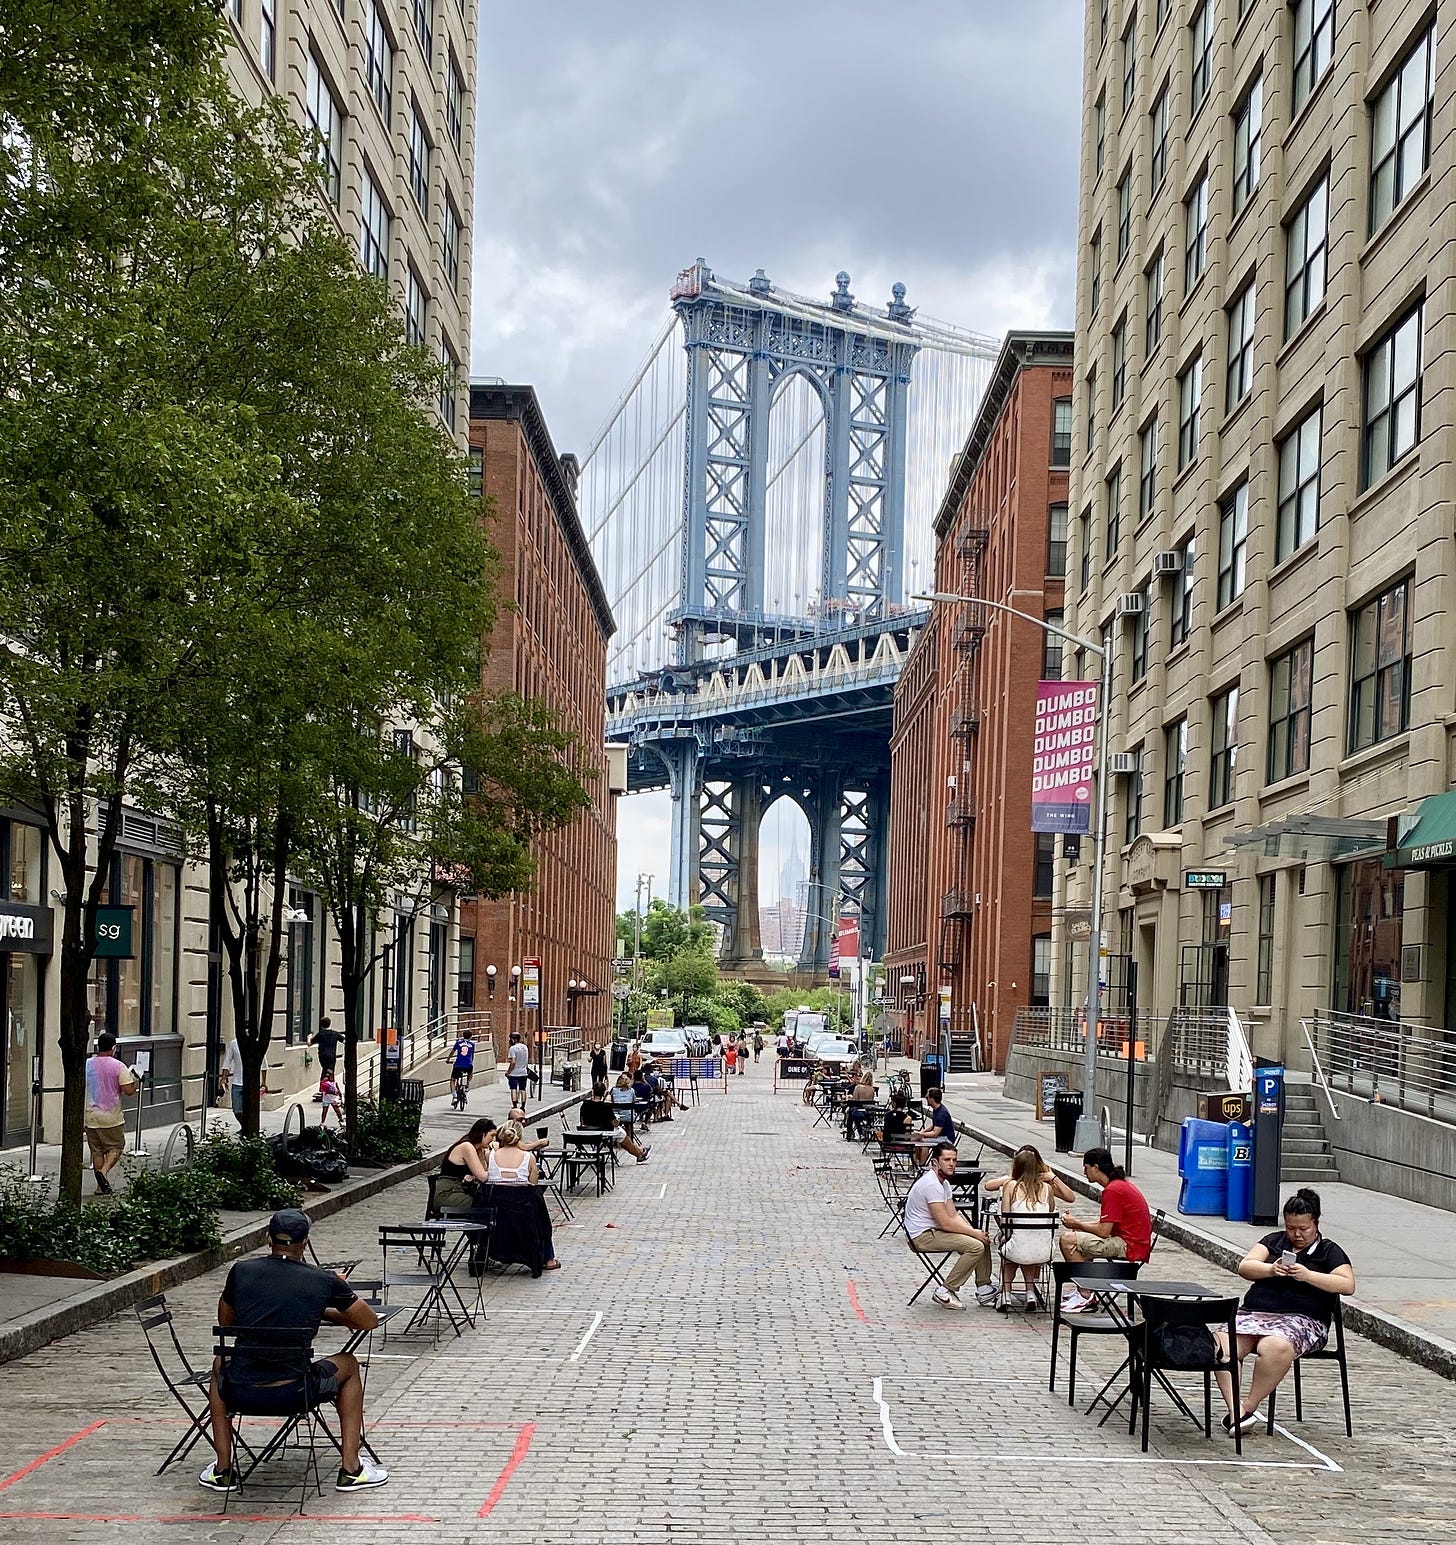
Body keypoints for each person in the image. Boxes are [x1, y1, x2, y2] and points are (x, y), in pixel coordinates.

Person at [200, 1208, 386, 1494]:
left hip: (240, 1390)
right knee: (348, 1363)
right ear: (306, 1242)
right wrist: (328, 1308)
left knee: (220, 1361)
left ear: (268, 1238)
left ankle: (223, 1468)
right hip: (295, 1392)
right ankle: (351, 1468)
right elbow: (368, 1321)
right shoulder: (323, 1280)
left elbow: (227, 1323)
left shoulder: (242, 1271)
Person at [1214, 1188, 1355, 1434]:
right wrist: (1270, 1270)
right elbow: (1245, 1266)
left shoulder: (1329, 1251)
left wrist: (1309, 1276)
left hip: (1303, 1319)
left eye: (1304, 1229)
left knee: (1275, 1346)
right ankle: (1236, 1411)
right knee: (1221, 1344)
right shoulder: (1274, 1241)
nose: (1297, 1235)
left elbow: (1347, 1284)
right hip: (1256, 1313)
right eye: (1291, 1228)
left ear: (1316, 1224)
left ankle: (1248, 1405)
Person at [903, 1144, 997, 1310]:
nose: (952, 1163)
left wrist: (975, 1232)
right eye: (947, 1160)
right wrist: (973, 1234)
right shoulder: (931, 1184)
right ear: (935, 1162)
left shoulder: (943, 1183)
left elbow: (953, 1215)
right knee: (975, 1246)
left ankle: (984, 1289)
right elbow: (945, 1222)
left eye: (954, 1160)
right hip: (921, 1236)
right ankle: (945, 1291)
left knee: (982, 1239)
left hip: (934, 1232)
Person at [1059, 1147, 1153, 1310]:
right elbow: (1107, 1223)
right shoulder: (1119, 1186)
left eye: (1086, 1167)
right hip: (1132, 1240)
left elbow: (1103, 1231)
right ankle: (1085, 1289)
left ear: (1096, 1167)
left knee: (1067, 1240)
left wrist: (1078, 1225)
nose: (1084, 1172)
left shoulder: (1113, 1190)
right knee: (1078, 1239)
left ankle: (1085, 1293)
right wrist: (1079, 1225)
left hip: (1129, 1245)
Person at [986, 1146, 1073, 1309]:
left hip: (1020, 1247)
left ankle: (1005, 1294)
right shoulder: (1047, 1189)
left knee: (1012, 1247)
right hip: (1044, 1251)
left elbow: (1006, 1220)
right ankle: (1030, 1293)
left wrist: (1007, 1236)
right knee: (1026, 1241)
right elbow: (1050, 1216)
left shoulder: (1011, 1186)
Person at [487, 1120, 560, 1272]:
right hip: (523, 1210)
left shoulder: (490, 1155)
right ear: (519, 1137)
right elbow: (532, 1185)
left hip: (497, 1210)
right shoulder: (528, 1158)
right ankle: (548, 1257)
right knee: (540, 1207)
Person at [84, 1033, 138, 1195]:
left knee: (97, 1151)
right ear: (113, 1048)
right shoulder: (118, 1066)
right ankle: (104, 1172)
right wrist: (134, 1080)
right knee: (116, 1147)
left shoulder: (87, 1064)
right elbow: (128, 1091)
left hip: (90, 1115)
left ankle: (101, 1187)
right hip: (111, 1117)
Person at [579, 1078, 649, 1162]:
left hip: (589, 1132)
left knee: (621, 1135)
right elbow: (614, 1123)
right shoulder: (606, 1107)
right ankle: (640, 1154)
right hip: (604, 1133)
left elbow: (582, 1121)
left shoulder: (585, 1105)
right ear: (604, 1093)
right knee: (622, 1135)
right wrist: (617, 1120)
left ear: (593, 1091)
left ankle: (640, 1152)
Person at [435, 1119, 497, 1213]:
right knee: (487, 1202)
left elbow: (481, 1173)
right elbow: (483, 1177)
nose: (493, 1139)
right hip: (448, 1194)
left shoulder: (478, 1149)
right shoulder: (467, 1146)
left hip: (460, 1191)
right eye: (491, 1136)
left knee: (491, 1200)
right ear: (482, 1134)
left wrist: (485, 1155)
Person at [906, 1086, 956, 1163]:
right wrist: (922, 1132)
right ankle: (916, 1163)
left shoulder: (941, 1113)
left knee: (924, 1143)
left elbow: (935, 1133)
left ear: (932, 1098)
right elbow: (934, 1125)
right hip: (941, 1136)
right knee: (914, 1139)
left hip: (946, 1138)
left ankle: (922, 1165)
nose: (926, 1098)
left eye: (927, 1097)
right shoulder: (937, 1109)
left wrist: (922, 1134)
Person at [445, 1030, 476, 1110]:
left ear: (463, 1036)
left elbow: (452, 1052)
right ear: (470, 1036)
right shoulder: (472, 1044)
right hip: (468, 1065)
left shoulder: (458, 1043)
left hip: (458, 1064)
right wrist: (470, 1062)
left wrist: (448, 1060)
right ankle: (467, 1084)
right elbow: (472, 1055)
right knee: (471, 1072)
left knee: (452, 1080)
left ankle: (455, 1096)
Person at [505, 1032, 530, 1108]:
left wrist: (508, 1072)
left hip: (514, 1073)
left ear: (514, 1039)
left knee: (513, 1089)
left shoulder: (513, 1048)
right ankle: (523, 1106)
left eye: (511, 1039)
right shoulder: (525, 1047)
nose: (510, 1040)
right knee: (523, 1089)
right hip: (523, 1072)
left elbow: (513, 1062)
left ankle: (515, 1105)